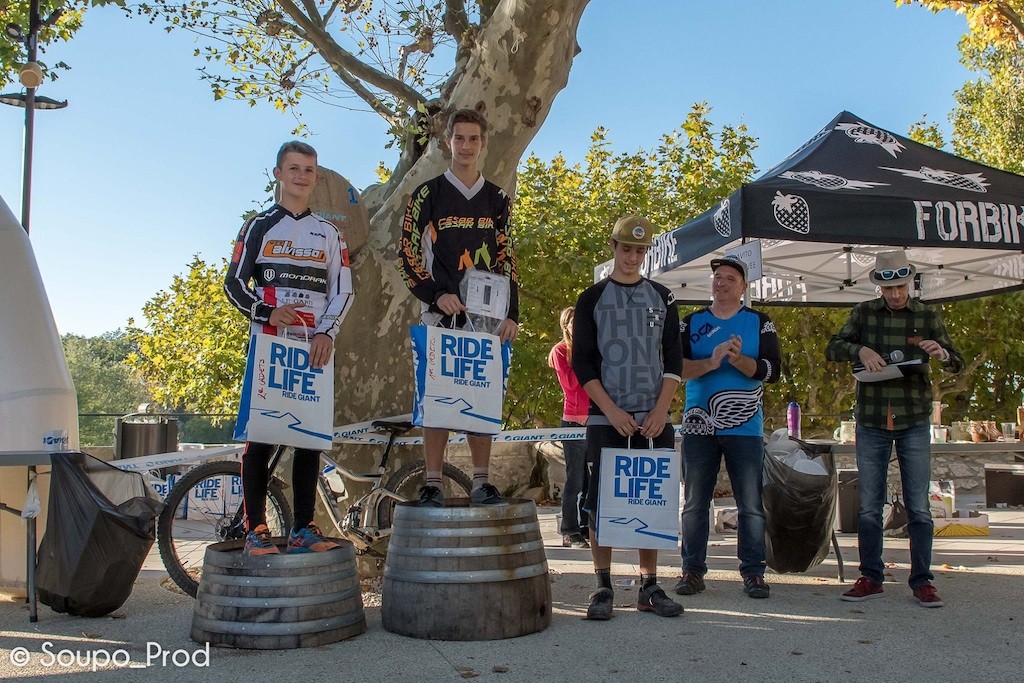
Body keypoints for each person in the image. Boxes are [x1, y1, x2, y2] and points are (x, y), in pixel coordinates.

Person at [224, 140, 354, 556]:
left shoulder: (330, 233)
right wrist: (265, 312)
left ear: (316, 179)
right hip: (268, 346)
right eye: (294, 168)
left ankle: (303, 527)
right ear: (278, 174)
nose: (301, 176)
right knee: (260, 439)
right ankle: (255, 529)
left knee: (309, 438)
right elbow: (232, 285)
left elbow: (344, 291)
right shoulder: (257, 226)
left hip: (314, 348)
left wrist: (326, 333)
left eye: (309, 170)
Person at [825, 250, 963, 608]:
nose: (896, 294)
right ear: (879, 287)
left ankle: (922, 581)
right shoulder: (863, 313)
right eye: (889, 288)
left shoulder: (927, 314)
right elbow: (833, 347)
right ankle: (871, 577)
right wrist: (861, 350)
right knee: (869, 507)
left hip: (914, 418)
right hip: (872, 418)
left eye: (900, 286)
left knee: (919, 506)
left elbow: (956, 361)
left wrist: (943, 354)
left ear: (910, 282)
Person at [397, 108, 519, 507]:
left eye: (474, 139)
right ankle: (433, 481)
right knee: (438, 398)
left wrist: (512, 313)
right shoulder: (426, 194)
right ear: (447, 141)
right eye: (459, 138)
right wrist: (434, 294)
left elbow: (507, 257)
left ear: (483, 144)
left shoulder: (497, 198)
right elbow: (407, 255)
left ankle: (482, 481)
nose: (466, 146)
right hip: (439, 314)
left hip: (485, 318)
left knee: (480, 396)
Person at [572, 215, 684, 619]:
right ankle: (602, 586)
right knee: (600, 502)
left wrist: (661, 409)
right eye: (626, 249)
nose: (632, 257)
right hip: (607, 417)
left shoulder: (664, 296)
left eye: (640, 250)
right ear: (613, 247)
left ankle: (649, 586)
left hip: (653, 417)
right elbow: (582, 363)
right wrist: (611, 410)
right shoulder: (591, 298)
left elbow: (673, 359)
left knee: (649, 499)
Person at [675, 256, 781, 600]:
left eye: (730, 278)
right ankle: (692, 570)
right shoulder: (690, 322)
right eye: (718, 277)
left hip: (745, 428)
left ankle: (753, 573)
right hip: (698, 427)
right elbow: (674, 369)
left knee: (750, 504)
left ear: (744, 287)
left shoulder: (759, 322)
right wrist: (712, 360)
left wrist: (739, 361)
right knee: (694, 503)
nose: (722, 283)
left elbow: (772, 371)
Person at [548, 306, 590, 549]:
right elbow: (573, 384)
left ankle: (587, 525)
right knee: (574, 479)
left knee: (591, 479)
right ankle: (569, 530)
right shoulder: (560, 351)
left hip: (594, 420)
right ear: (566, 325)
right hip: (574, 420)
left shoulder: (591, 348)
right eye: (574, 322)